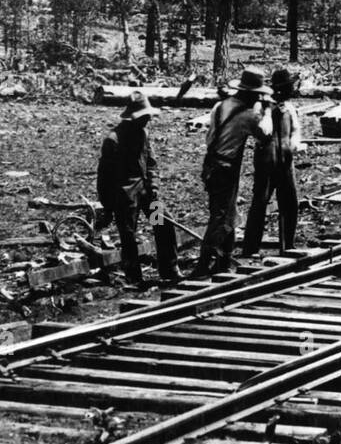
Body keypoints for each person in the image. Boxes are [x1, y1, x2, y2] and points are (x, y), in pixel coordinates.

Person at [192, 67, 273, 279]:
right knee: (220, 218)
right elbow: (265, 135)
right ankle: (203, 265)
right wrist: (267, 111)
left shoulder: (220, 106)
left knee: (227, 213)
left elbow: (210, 138)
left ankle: (223, 261)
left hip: (211, 164)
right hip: (227, 167)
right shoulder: (248, 116)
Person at [96, 91, 179, 289]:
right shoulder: (113, 140)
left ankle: (169, 269)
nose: (148, 119)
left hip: (147, 193)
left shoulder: (143, 133)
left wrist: (154, 186)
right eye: (144, 116)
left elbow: (151, 163)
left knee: (163, 223)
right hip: (125, 197)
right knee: (128, 236)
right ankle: (134, 278)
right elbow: (104, 177)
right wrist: (108, 206)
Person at [242, 67, 303, 256]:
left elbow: (296, 130)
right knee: (260, 203)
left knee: (290, 203)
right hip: (266, 162)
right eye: (290, 86)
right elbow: (257, 130)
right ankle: (251, 247)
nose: (293, 89)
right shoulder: (262, 107)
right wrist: (268, 110)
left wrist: (294, 143)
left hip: (286, 161)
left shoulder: (290, 108)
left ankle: (288, 245)